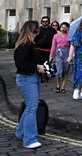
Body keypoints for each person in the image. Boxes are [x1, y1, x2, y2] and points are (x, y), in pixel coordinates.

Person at [14, 20, 45, 149]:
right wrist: (37, 66)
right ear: (33, 30)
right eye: (37, 29)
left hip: (32, 77)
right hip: (26, 79)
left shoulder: (31, 44)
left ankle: (20, 132)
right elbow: (20, 64)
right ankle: (29, 139)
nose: (38, 32)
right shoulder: (24, 45)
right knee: (32, 108)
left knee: (30, 107)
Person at [49, 22, 71, 93]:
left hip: (67, 52)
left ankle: (63, 87)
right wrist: (51, 56)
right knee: (58, 71)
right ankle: (58, 85)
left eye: (65, 27)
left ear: (68, 28)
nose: (63, 28)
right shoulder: (56, 36)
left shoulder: (70, 35)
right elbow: (53, 46)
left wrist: (72, 55)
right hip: (58, 53)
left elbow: (72, 46)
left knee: (65, 70)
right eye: (62, 27)